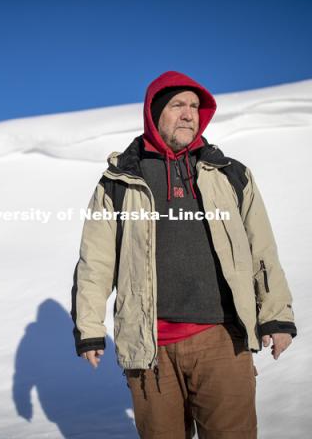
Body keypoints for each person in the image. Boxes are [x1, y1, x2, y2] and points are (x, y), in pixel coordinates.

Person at [70, 70, 297, 439]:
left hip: (223, 339)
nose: (189, 114)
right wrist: (90, 330)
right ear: (154, 112)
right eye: (177, 105)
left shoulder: (230, 174)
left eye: (194, 106)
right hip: (149, 348)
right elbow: (95, 263)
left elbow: (262, 251)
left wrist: (276, 316)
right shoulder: (119, 181)